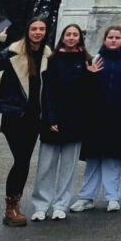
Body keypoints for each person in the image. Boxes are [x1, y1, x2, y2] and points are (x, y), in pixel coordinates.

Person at [0, 16, 51, 226]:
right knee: (21, 160)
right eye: (34, 29)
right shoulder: (14, 51)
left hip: (34, 118)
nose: (38, 32)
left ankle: (14, 203)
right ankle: (11, 208)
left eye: (41, 29)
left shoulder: (49, 55)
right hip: (14, 116)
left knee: (23, 162)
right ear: (27, 31)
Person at [71, 24, 121, 214]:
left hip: (117, 118)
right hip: (95, 118)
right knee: (93, 159)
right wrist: (89, 74)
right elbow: (84, 91)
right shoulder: (96, 60)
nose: (113, 40)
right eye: (110, 37)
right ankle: (86, 197)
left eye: (117, 37)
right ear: (104, 40)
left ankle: (112, 197)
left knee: (112, 159)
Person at [32, 23, 89, 221]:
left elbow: (88, 93)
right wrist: (50, 117)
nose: (72, 37)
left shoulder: (86, 60)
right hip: (53, 118)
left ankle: (61, 204)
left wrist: (92, 75)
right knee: (46, 165)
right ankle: (41, 205)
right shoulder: (52, 60)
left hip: (76, 120)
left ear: (79, 38)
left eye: (75, 34)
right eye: (68, 34)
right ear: (63, 37)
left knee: (68, 167)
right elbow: (47, 91)